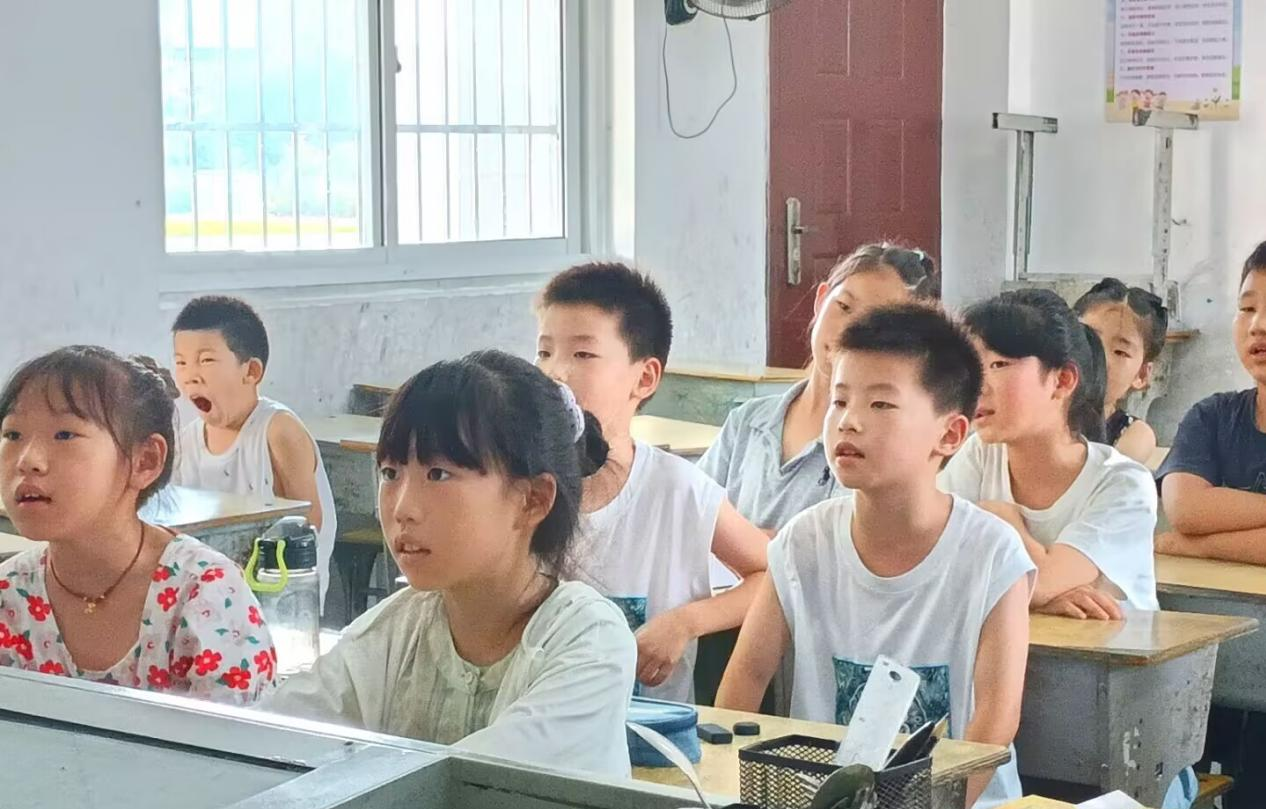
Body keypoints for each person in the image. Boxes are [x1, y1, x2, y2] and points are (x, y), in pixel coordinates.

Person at [716, 305, 1034, 809]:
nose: (849, 421)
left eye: (881, 404)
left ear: (950, 435)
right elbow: (746, 680)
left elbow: (995, 721)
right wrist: (732, 806)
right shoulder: (803, 543)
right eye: (839, 400)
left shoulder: (992, 554)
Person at [267, 351, 637, 778]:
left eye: (438, 474)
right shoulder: (392, 633)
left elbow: (470, 786)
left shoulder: (590, 641)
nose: (402, 509)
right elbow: (268, 739)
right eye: (390, 474)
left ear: (532, 500)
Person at [535, 262, 768, 703]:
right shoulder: (517, 486)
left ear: (644, 378)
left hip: (649, 740)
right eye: (544, 352)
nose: (555, 373)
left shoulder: (677, 490)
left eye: (582, 355)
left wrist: (687, 622)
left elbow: (773, 576)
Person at [0, 346, 276, 704]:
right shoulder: (9, 593)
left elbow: (236, 738)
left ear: (145, 461)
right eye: (13, 435)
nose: (28, 461)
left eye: (65, 435)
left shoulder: (205, 596)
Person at [939, 289, 1159, 620]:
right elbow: (936, 568)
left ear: (1062, 381)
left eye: (999, 364)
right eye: (972, 367)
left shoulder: (1123, 483)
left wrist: (1002, 520)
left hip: (1112, 652)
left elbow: (1044, 581)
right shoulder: (980, 456)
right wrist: (1040, 600)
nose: (978, 386)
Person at [699, 242, 939, 534]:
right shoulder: (748, 422)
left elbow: (826, 548)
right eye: (844, 307)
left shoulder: (876, 444)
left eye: (875, 324)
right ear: (821, 299)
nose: (848, 330)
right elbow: (690, 511)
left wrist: (716, 533)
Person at [171, 295, 337, 604]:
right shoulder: (185, 442)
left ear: (251, 371)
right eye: (181, 362)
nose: (190, 375)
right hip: (208, 597)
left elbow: (308, 523)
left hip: (279, 596)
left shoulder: (278, 430)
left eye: (206, 361)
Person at [1157, 242, 1266, 564]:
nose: (1258, 325)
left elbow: (1186, 532)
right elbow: (1185, 508)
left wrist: (1196, 547)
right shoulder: (1212, 417)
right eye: (1247, 308)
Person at [1074, 277, 1168, 465]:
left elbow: (1099, 476)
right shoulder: (1038, 413)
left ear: (1141, 374)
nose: (1100, 356)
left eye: (1120, 352)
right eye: (1089, 339)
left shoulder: (1135, 434)